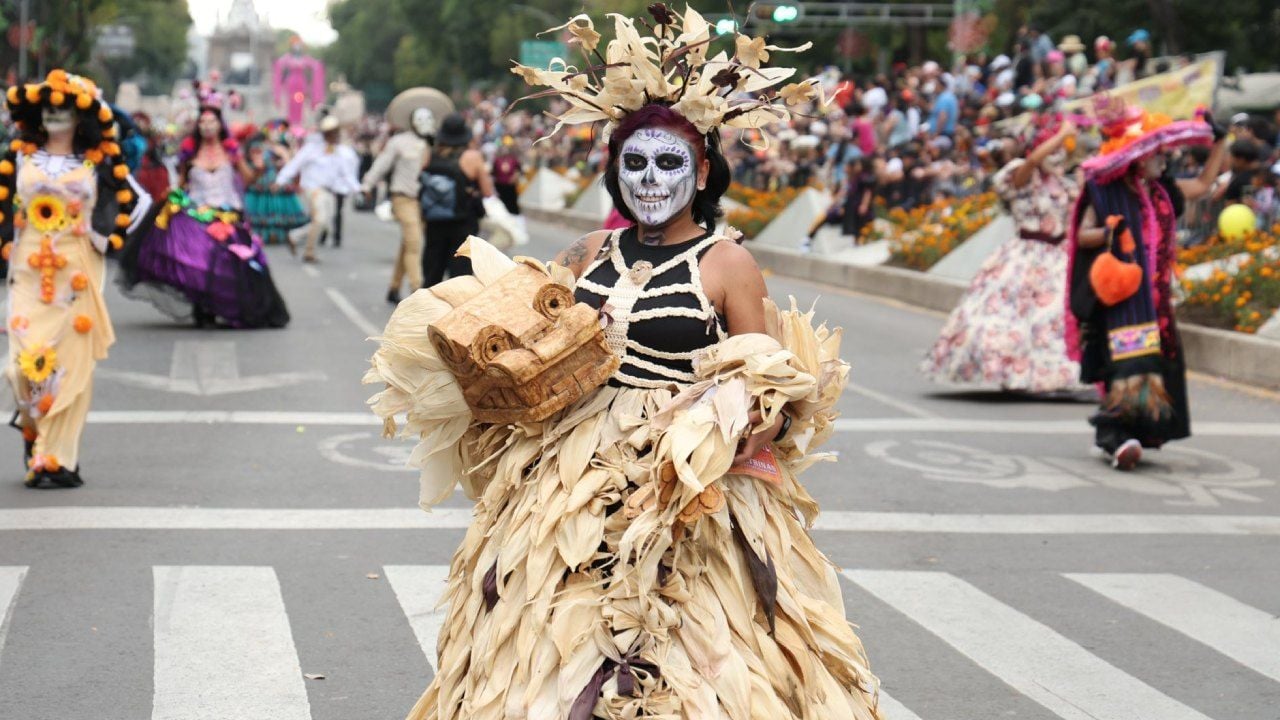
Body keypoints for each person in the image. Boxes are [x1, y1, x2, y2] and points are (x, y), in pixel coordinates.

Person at [368, 8, 883, 719]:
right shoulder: (584, 255)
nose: (648, 179)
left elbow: (771, 388)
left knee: (693, 655)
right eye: (632, 163)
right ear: (613, 170)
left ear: (703, 170)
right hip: (570, 475)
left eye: (668, 163)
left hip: (690, 487)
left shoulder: (728, 263)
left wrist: (715, 445)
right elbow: (520, 354)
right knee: (550, 634)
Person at [2, 70, 151, 488]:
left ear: (81, 116)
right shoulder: (20, 158)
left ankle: (55, 456)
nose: (53, 111)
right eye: (47, 105)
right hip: (28, 269)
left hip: (76, 272)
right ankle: (34, 428)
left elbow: (138, 202)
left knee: (69, 367)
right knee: (21, 366)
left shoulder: (96, 162)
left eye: (64, 105)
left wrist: (104, 239)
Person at [1066, 104, 1220, 470]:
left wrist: (1221, 143)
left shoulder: (1162, 192)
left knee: (1154, 368)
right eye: (1157, 154)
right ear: (1138, 159)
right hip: (1122, 299)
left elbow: (1201, 185)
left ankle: (1137, 433)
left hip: (1157, 301)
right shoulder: (1105, 192)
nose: (1164, 160)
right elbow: (1084, 234)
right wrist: (1112, 231)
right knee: (1129, 368)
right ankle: (1115, 437)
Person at [921, 118, 1089, 394]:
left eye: (1061, 151)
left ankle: (1054, 376)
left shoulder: (1062, 184)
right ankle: (1012, 372)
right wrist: (1062, 134)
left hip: (1058, 259)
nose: (1057, 156)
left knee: (1053, 320)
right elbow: (1033, 161)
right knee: (1012, 317)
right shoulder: (1020, 172)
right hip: (1025, 254)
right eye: (1052, 148)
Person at [117, 99, 290, 329]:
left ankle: (223, 307)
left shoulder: (232, 153)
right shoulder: (189, 153)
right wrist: (173, 199)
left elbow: (247, 180)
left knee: (230, 265)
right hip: (197, 214)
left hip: (228, 215)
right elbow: (182, 184)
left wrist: (258, 167)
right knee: (198, 259)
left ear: (220, 125)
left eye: (212, 121)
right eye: (203, 122)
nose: (207, 126)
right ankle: (202, 307)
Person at [360, 106, 433, 303]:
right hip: (403, 197)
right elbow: (382, 164)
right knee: (415, 242)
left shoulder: (432, 143)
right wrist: (367, 184)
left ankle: (394, 287)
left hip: (424, 201)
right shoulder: (399, 142)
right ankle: (417, 289)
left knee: (408, 244)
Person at [419, 112, 494, 286]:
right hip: (463, 223)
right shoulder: (473, 157)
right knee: (460, 279)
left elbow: (421, 179)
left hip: (434, 221)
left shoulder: (430, 155)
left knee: (431, 275)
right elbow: (487, 191)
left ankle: (429, 311)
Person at [275, 115, 361, 263]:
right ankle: (309, 252)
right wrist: (281, 180)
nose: (336, 136)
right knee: (319, 220)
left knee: (325, 223)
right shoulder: (312, 149)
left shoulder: (338, 152)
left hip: (329, 191)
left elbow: (347, 174)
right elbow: (295, 164)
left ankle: (295, 236)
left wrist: (358, 190)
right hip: (314, 189)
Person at [243, 128, 308, 252]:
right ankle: (271, 235)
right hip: (265, 177)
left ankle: (271, 235)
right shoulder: (263, 148)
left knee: (268, 209)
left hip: (269, 178)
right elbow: (259, 164)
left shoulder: (271, 148)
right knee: (269, 209)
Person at [491, 135, 522, 215]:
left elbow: (518, 170)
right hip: (500, 187)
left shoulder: (514, 159)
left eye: (507, 146)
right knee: (502, 208)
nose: (505, 148)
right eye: (504, 146)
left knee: (512, 207)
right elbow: (493, 173)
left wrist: (515, 177)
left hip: (511, 187)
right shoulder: (497, 160)